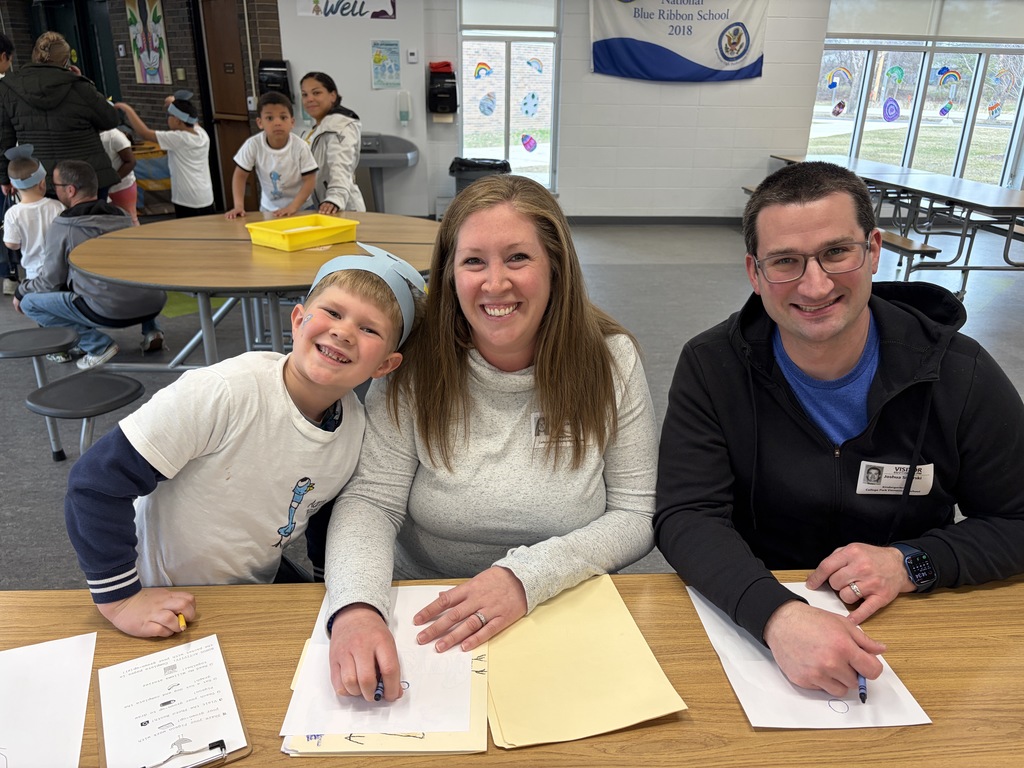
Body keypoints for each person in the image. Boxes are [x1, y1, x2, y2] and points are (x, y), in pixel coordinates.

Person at [654, 161, 1024, 699]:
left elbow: (1017, 518)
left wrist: (912, 562)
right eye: (785, 261)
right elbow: (686, 514)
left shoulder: (957, 372)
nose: (815, 283)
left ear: (873, 250)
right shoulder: (713, 366)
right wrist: (776, 614)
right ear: (755, 274)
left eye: (836, 252)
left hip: (910, 616)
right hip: (754, 614)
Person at [324, 174, 658, 702]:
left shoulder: (611, 361)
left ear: (556, 267)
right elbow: (371, 500)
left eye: (518, 259)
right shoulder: (412, 363)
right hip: (423, 609)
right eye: (473, 261)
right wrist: (356, 609)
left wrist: (524, 578)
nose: (494, 283)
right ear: (449, 273)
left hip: (561, 600)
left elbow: (637, 514)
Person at [63, 248, 425, 638]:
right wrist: (121, 601)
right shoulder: (225, 393)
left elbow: (323, 510)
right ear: (299, 319)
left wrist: (330, 585)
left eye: (369, 329)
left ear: (386, 365)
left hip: (247, 591)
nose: (344, 331)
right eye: (333, 313)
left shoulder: (354, 429)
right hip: (158, 590)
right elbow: (95, 483)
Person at [14, 160, 166, 368]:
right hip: (154, 302)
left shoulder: (64, 225)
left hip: (109, 311)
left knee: (29, 303)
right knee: (129, 275)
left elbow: (50, 281)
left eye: (55, 186)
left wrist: (21, 290)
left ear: (70, 190)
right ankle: (152, 329)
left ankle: (98, 345)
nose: (52, 190)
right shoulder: (122, 216)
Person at [0, 31, 120, 196]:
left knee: (50, 221)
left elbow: (4, 139)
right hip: (87, 177)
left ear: (35, 55)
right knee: (94, 221)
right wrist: (85, 82)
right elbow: (111, 119)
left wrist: (4, 178)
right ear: (65, 61)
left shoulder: (8, 88)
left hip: (40, 178)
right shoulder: (79, 86)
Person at [116, 91, 215, 218]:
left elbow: (144, 133)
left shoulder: (178, 139)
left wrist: (127, 109)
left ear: (178, 121)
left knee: (190, 235)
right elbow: (191, 118)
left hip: (187, 200)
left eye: (170, 115)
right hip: (206, 196)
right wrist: (173, 104)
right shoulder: (201, 134)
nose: (168, 118)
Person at [3, 145, 65, 336]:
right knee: (62, 307)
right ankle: (75, 339)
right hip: (60, 270)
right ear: (42, 183)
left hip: (34, 274)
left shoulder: (13, 214)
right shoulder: (57, 206)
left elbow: (12, 244)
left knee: (43, 312)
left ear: (13, 187)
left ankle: (57, 347)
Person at [226, 91, 317, 219]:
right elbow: (240, 176)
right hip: (269, 209)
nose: (277, 123)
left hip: (301, 207)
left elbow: (310, 180)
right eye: (269, 118)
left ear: (292, 122)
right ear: (259, 123)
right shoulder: (253, 144)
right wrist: (238, 206)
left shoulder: (300, 146)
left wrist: (293, 207)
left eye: (283, 117)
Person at [300, 71, 365, 214]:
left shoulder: (339, 126)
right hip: (320, 207)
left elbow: (340, 165)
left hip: (340, 208)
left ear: (332, 96)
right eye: (305, 94)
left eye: (316, 93)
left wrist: (334, 198)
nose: (309, 99)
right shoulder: (314, 131)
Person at [100, 128, 139, 225]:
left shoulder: (114, 136)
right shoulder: (89, 135)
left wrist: (113, 180)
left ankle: (136, 239)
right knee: (106, 221)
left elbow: (131, 162)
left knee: (129, 219)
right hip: (102, 186)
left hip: (122, 186)